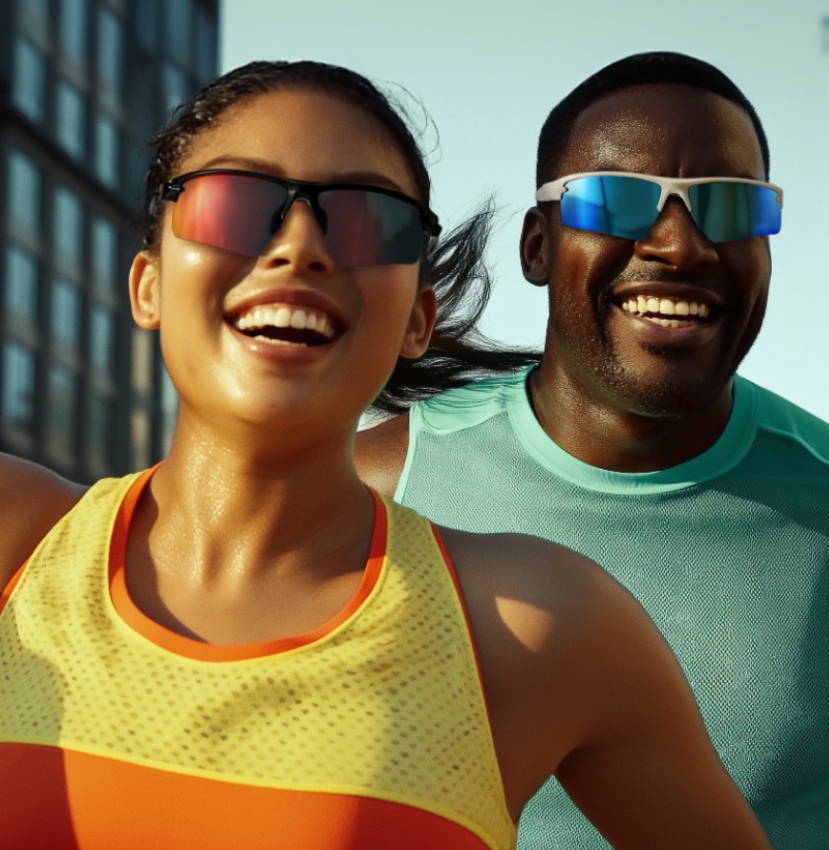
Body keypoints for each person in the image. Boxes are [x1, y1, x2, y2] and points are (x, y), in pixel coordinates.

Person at [0, 60, 773, 850]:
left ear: (417, 318)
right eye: (237, 205)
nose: (299, 248)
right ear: (148, 284)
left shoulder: (535, 627)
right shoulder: (15, 541)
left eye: (365, 219)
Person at [356, 52, 829, 850]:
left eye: (731, 206)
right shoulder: (373, 495)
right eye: (616, 202)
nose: (680, 245)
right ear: (537, 247)